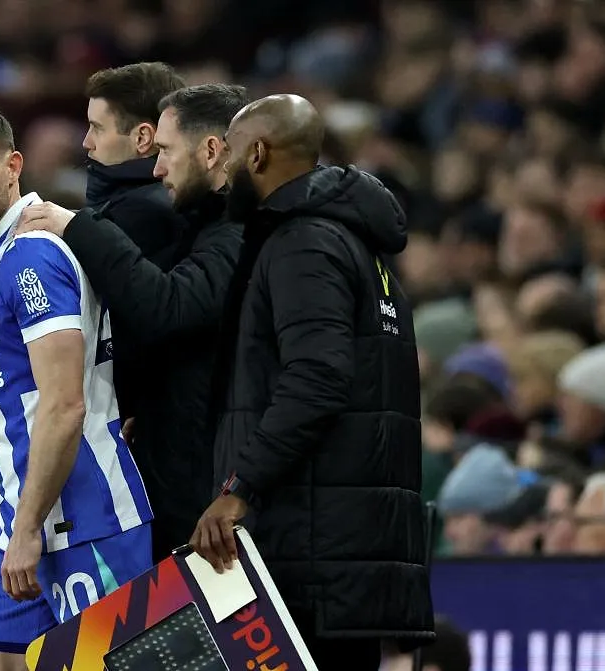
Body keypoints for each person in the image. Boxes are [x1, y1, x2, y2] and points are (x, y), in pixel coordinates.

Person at [190, 94, 432, 670]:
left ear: (259, 154)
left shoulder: (304, 243)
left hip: (316, 549)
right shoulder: (355, 243)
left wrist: (239, 485)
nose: (222, 172)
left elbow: (318, 378)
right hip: (341, 543)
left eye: (230, 156)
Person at [0, 102, 153, 670]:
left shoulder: (32, 256)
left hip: (88, 519)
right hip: (21, 527)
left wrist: (25, 526)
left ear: (13, 166)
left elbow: (62, 405)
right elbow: (7, 412)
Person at [16, 83, 248, 558]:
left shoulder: (237, 233)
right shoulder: (208, 227)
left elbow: (167, 309)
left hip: (210, 489)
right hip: (190, 468)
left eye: (166, 151)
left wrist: (77, 225)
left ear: (210, 151)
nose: (158, 168)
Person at [80, 62, 188, 268]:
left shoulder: (142, 213)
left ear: (142, 138)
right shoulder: (131, 199)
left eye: (97, 128)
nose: (86, 142)